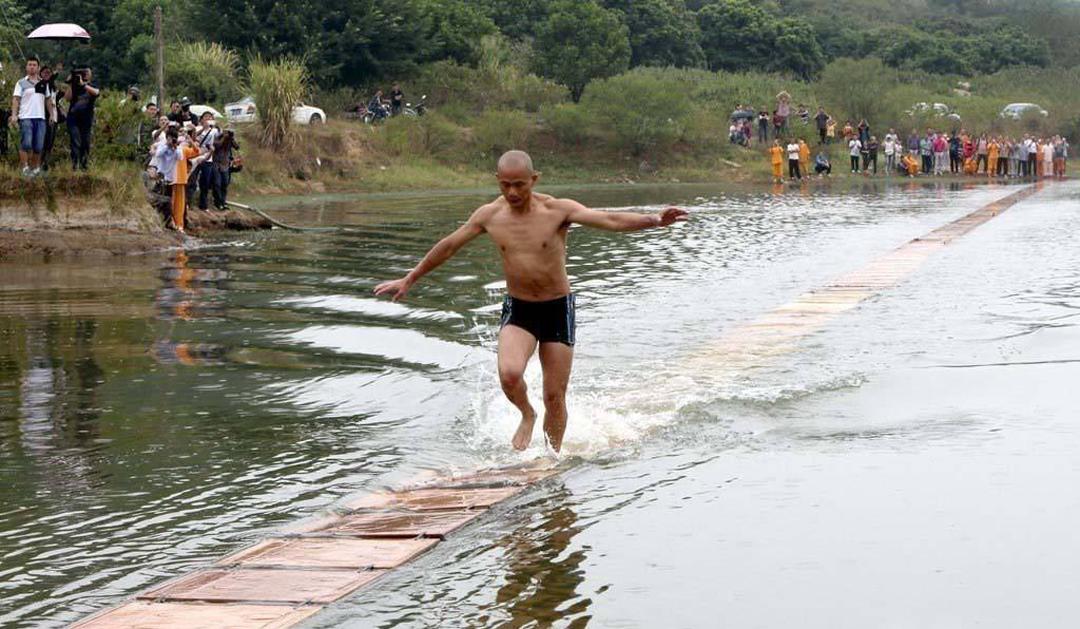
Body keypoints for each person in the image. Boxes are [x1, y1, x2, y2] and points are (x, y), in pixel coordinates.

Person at [373, 150, 687, 452]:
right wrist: (409, 278)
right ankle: (527, 414)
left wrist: (654, 220)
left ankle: (551, 457)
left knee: (554, 395)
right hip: (520, 308)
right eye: (505, 185)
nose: (512, 192)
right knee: (509, 374)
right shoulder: (490, 215)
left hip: (557, 308)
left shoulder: (557, 210)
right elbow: (449, 246)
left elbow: (609, 219)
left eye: (519, 184)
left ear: (534, 179)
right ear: (497, 180)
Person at [10, 56, 55, 177]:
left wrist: (51, 114)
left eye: (34, 65)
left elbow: (48, 100)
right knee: (26, 143)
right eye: (29, 64)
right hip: (26, 116)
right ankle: (25, 168)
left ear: (38, 67)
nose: (32, 67)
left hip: (40, 117)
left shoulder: (43, 83)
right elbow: (16, 99)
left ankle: (35, 169)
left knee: (38, 145)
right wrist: (14, 115)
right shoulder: (21, 83)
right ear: (26, 67)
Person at [65, 66, 100, 170]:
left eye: (87, 72)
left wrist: (83, 85)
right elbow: (67, 98)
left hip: (86, 118)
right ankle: (75, 164)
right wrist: (71, 83)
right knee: (75, 141)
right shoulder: (75, 86)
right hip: (73, 118)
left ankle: (84, 164)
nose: (86, 74)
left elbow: (96, 92)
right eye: (84, 72)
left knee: (85, 142)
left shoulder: (92, 85)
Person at [194, 111, 221, 210]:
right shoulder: (197, 128)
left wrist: (217, 125)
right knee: (192, 180)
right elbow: (193, 137)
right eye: (206, 117)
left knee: (205, 182)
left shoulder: (214, 130)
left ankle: (203, 205)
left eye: (210, 117)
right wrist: (203, 128)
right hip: (196, 157)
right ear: (201, 119)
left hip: (208, 158)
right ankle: (189, 202)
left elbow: (219, 138)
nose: (208, 119)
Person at [38, 65, 59, 172]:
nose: (46, 74)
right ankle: (38, 164)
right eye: (44, 72)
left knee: (49, 142)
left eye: (48, 73)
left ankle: (45, 164)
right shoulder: (39, 85)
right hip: (41, 116)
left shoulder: (53, 87)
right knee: (41, 141)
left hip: (53, 117)